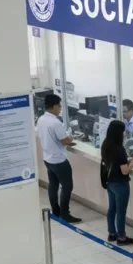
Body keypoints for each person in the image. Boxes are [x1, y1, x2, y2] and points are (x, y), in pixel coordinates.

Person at [37, 94, 81, 224]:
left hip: (47, 158)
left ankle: (56, 210)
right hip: (59, 160)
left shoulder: (41, 119)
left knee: (53, 185)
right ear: (54, 106)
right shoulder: (55, 122)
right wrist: (71, 138)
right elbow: (64, 140)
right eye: (59, 106)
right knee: (67, 186)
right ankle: (65, 214)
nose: (60, 108)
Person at [100, 120, 133, 246]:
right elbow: (125, 171)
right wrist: (132, 163)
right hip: (120, 183)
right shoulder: (119, 149)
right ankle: (121, 237)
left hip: (110, 182)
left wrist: (125, 161)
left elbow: (114, 162)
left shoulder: (106, 144)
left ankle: (112, 233)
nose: (124, 134)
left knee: (112, 208)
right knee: (121, 211)